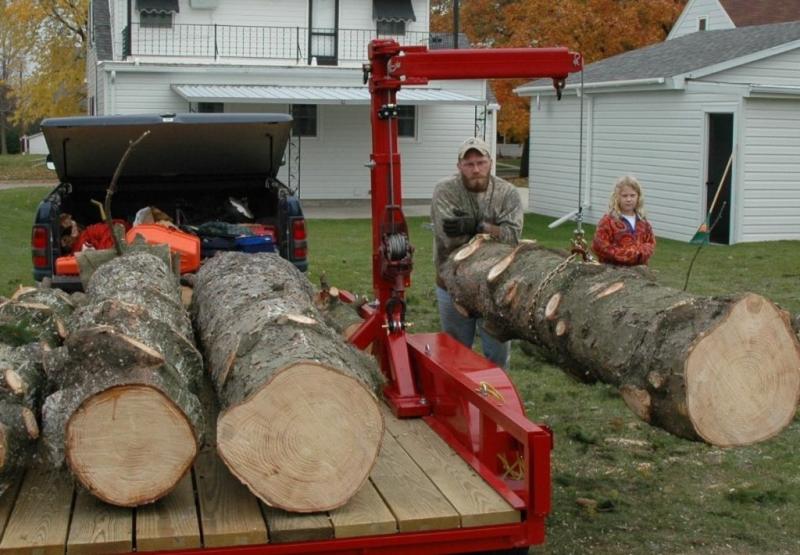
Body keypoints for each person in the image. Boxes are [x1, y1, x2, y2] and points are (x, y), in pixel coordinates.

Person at [431, 137, 523, 369]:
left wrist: (475, 225)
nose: (476, 169)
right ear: (459, 166)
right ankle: (456, 403)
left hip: (494, 286)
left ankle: (494, 404)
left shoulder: (507, 192)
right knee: (455, 353)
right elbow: (449, 238)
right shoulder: (445, 190)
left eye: (481, 162)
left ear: (490, 162)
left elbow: (512, 237)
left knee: (497, 357)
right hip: (452, 284)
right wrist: (494, 231)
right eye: (469, 164)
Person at [591, 175, 656, 266]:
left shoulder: (643, 222)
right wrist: (627, 255)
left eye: (632, 195)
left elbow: (650, 243)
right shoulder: (608, 221)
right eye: (624, 196)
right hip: (612, 272)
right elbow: (599, 246)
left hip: (639, 274)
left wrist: (641, 253)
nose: (629, 199)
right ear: (617, 197)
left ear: (638, 197)